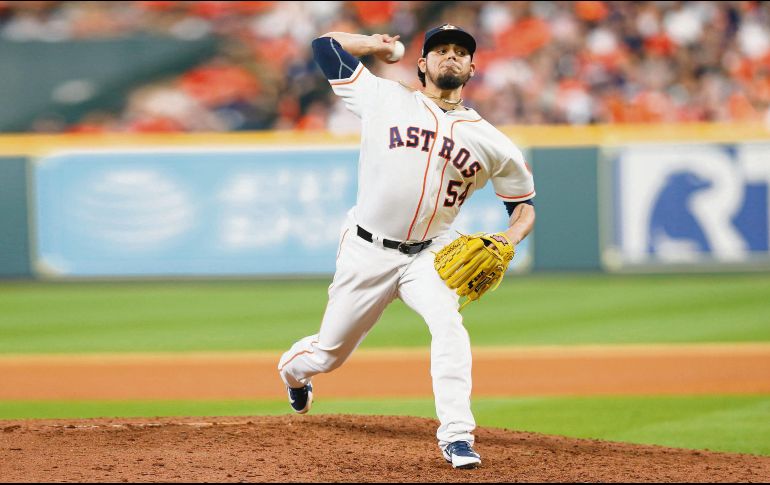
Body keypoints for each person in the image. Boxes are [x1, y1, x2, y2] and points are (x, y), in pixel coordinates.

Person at [278, 24, 536, 470]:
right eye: (440, 50)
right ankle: (293, 372)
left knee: (448, 325)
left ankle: (457, 436)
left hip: (432, 252)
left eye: (460, 52)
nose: (450, 56)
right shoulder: (385, 97)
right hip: (367, 249)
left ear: (473, 67)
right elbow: (324, 46)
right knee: (330, 353)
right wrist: (375, 46)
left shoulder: (493, 141)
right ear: (422, 63)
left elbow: (524, 206)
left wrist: (508, 239)